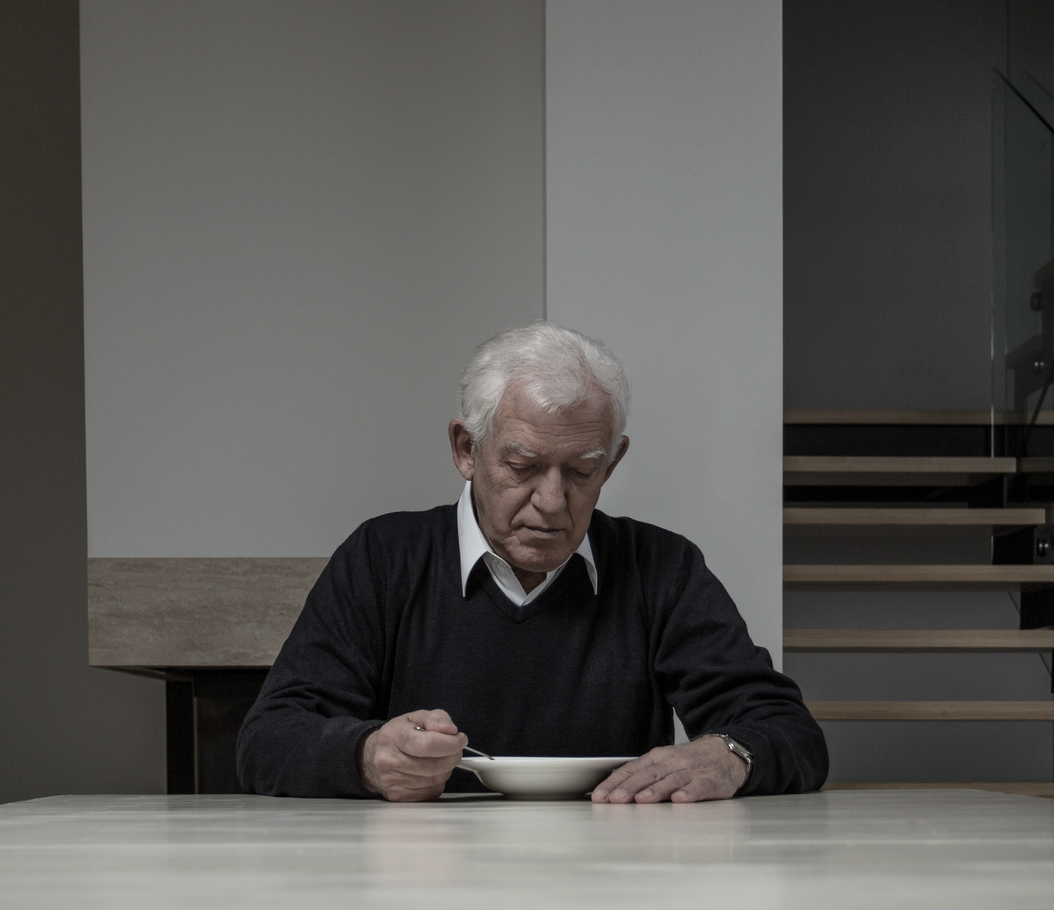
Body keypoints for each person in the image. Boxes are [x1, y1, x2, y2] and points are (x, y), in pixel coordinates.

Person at [236, 322, 828, 803]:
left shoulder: (660, 567)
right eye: (522, 468)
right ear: (467, 449)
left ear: (612, 463)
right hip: (421, 893)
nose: (551, 503)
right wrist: (366, 757)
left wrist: (728, 755)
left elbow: (788, 729)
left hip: (613, 881)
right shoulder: (382, 558)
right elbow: (267, 740)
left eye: (581, 472)